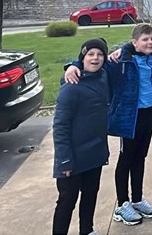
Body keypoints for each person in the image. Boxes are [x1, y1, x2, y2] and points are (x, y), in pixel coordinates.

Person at [65, 23, 152, 226]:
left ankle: (137, 199)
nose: (150, 43)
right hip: (129, 117)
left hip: (149, 114)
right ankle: (122, 204)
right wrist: (73, 65)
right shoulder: (120, 61)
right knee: (126, 158)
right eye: (145, 40)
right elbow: (94, 61)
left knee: (141, 156)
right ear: (134, 42)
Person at [53, 39, 113, 235]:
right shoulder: (71, 87)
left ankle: (87, 230)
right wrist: (64, 159)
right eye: (90, 54)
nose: (95, 58)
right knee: (67, 201)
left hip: (94, 153)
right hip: (72, 157)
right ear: (82, 58)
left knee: (90, 195)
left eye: (100, 54)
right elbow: (60, 126)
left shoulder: (103, 76)